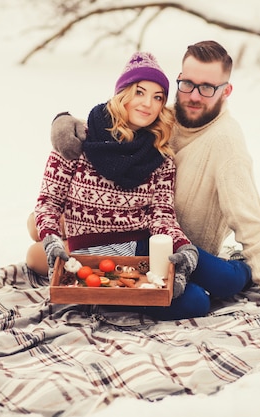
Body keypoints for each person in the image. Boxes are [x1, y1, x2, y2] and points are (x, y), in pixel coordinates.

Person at [48, 41, 260, 311]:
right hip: (127, 242)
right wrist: (67, 121)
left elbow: (249, 219)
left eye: (208, 87)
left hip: (182, 244)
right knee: (38, 228)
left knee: (225, 282)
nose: (194, 96)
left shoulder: (226, 144)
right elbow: (114, 127)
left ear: (226, 91)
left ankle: (242, 268)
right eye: (187, 84)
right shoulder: (162, 120)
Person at [28, 52, 203, 319]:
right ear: (122, 93)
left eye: (158, 97)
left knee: (225, 280)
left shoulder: (160, 155)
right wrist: (51, 240)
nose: (148, 104)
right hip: (86, 257)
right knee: (196, 303)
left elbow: (162, 216)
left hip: (141, 250)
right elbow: (48, 204)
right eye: (139, 92)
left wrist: (182, 248)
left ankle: (243, 270)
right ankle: (118, 299)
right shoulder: (76, 141)